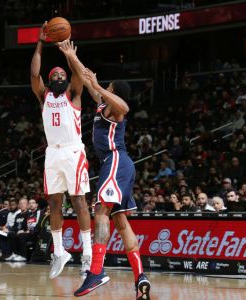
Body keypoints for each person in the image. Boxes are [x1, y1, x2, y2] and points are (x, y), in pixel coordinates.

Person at [57, 40, 150, 299]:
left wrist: (98, 86)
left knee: (101, 211)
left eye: (107, 87)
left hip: (116, 161)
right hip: (120, 165)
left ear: (113, 90)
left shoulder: (114, 108)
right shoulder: (102, 103)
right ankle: (140, 275)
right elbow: (86, 77)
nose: (102, 87)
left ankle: (96, 271)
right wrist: (70, 55)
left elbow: (125, 107)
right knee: (120, 221)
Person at [30, 22, 92, 278]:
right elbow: (34, 75)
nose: (57, 77)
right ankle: (60, 252)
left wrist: (69, 55)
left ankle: (88, 256)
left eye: (60, 75)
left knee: (78, 201)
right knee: (54, 202)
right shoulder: (44, 96)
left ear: (65, 79)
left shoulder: (73, 94)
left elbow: (79, 74)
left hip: (73, 151)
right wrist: (40, 44)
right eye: (53, 75)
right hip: (52, 154)